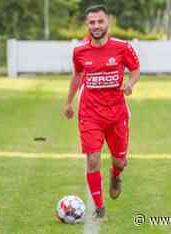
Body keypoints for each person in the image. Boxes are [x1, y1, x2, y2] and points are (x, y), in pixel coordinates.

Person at [63, 4, 140, 221]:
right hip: (90, 114)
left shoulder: (123, 47)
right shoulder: (79, 51)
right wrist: (69, 102)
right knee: (93, 159)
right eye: (92, 22)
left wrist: (131, 84)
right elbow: (77, 76)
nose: (96, 26)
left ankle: (116, 176)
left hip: (117, 115)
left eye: (100, 21)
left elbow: (135, 69)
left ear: (108, 22)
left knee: (119, 161)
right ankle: (100, 209)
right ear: (87, 24)